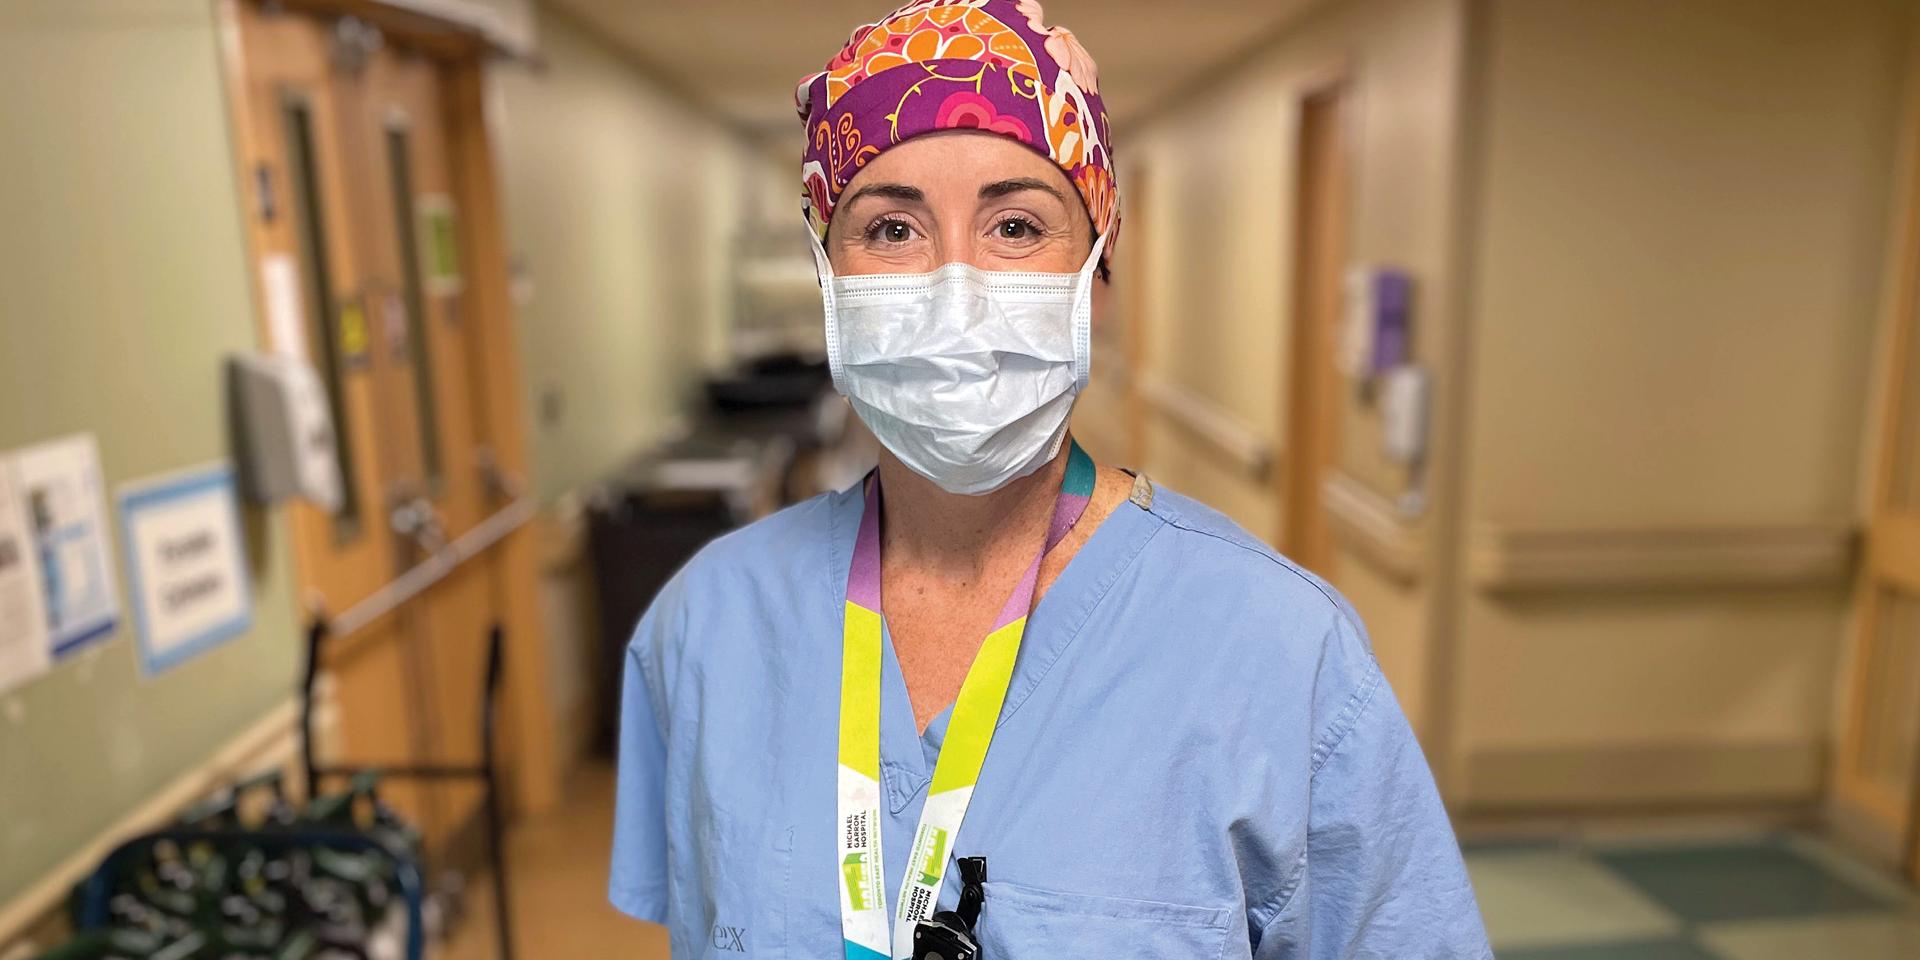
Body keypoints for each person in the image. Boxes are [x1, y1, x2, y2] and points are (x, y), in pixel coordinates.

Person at [611, 2, 1492, 956]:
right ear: (829, 276)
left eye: (1017, 225)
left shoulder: (1281, 655)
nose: (954, 289)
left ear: (1095, 274)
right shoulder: (705, 627)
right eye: (892, 229)